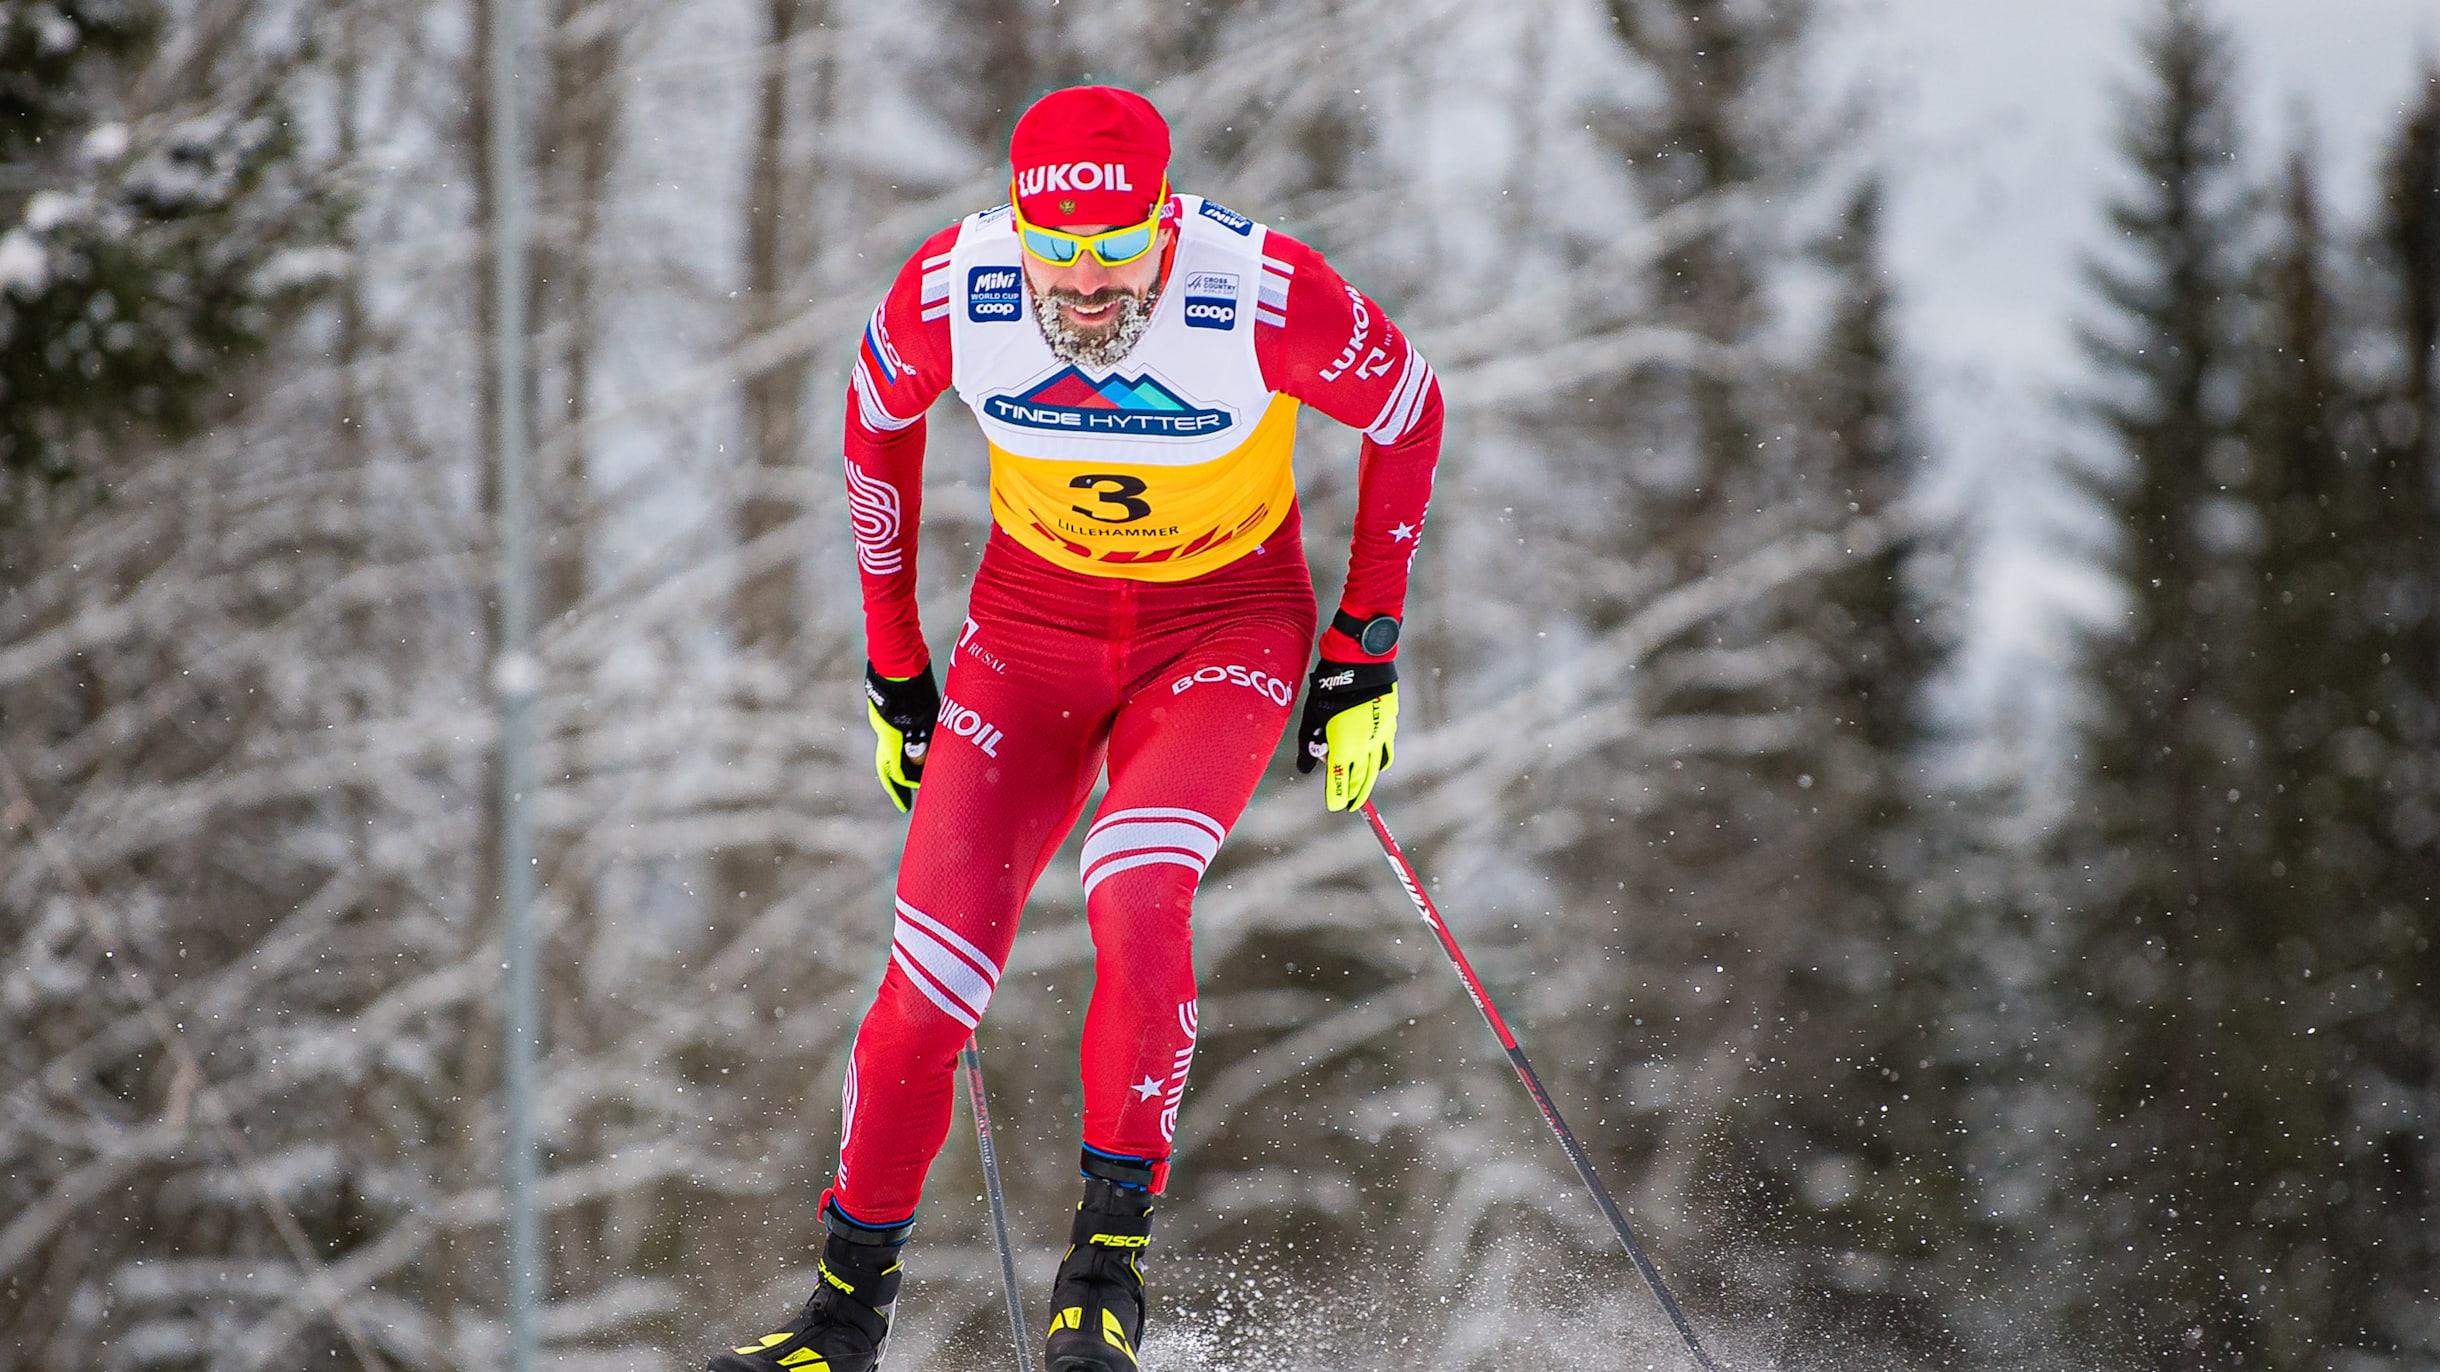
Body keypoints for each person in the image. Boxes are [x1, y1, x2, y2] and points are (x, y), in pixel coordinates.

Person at [710, 84, 1442, 1372]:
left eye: (1119, 247)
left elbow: (1409, 411)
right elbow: (872, 433)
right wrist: (897, 669)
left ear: (1167, 225)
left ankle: (1103, 1275)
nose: (1088, 280)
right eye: (1061, 246)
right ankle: (839, 1318)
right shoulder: (952, 286)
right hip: (1028, 634)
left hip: (1220, 630)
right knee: (924, 986)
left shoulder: (1266, 292)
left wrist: (1363, 648)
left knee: (1135, 884)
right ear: (1020, 224)